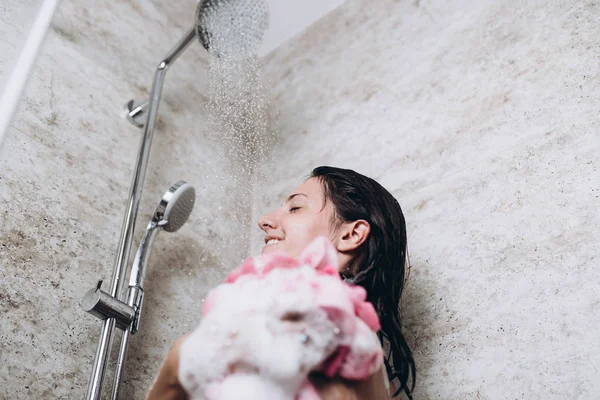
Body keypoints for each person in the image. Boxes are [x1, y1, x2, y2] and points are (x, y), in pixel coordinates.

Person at [147, 166, 416, 399]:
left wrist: (178, 362)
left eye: (295, 208)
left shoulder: (358, 361)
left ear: (351, 235)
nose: (264, 221)